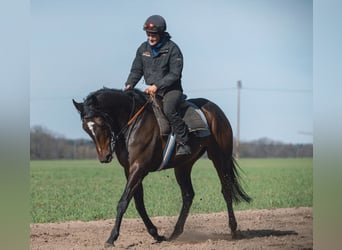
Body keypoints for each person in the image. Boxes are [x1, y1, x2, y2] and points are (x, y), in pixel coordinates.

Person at [124, 14, 191, 156]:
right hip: (151, 91)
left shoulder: (173, 49)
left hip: (171, 90)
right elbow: (137, 70)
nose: (150, 38)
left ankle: (183, 142)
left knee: (169, 109)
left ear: (161, 33)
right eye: (148, 34)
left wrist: (157, 86)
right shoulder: (143, 49)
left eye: (153, 35)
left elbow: (175, 74)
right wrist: (129, 84)